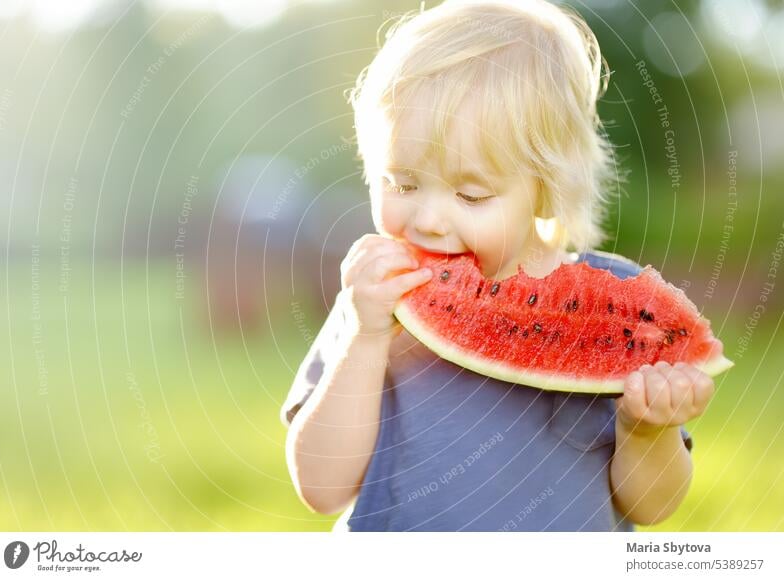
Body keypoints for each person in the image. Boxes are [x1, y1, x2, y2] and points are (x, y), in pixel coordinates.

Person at [280, 0, 720, 531]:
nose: (428, 220)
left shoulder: (619, 318)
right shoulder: (374, 301)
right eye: (401, 183)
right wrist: (365, 338)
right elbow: (321, 489)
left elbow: (651, 507)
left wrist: (647, 429)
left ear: (546, 190)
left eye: (470, 194)